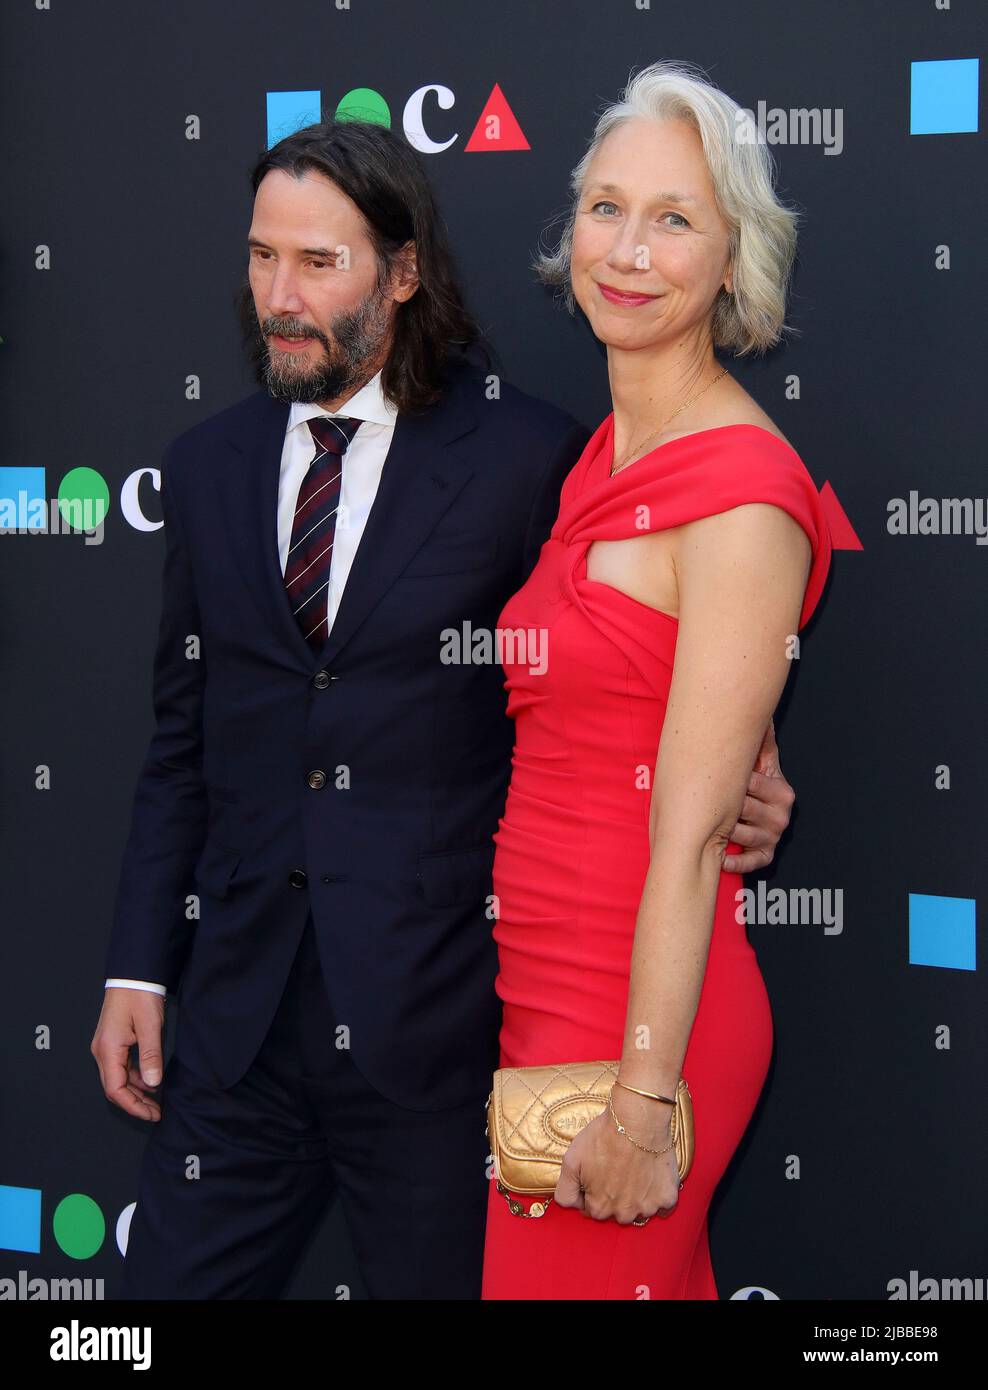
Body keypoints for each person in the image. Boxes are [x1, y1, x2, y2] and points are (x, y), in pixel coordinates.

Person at [91, 115, 798, 1301]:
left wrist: (752, 770)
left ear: (402, 272)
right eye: (264, 257)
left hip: (440, 1028)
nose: (281, 293)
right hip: (235, 1024)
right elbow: (180, 741)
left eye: (319, 264)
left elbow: (638, 642)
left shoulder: (532, 458)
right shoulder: (206, 464)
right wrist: (137, 970)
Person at [481, 59, 832, 1300]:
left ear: (734, 261)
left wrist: (640, 1104)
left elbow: (687, 845)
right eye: (606, 207)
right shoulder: (599, 458)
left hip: (641, 1025)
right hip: (541, 990)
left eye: (675, 219)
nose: (628, 250)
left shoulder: (738, 493)